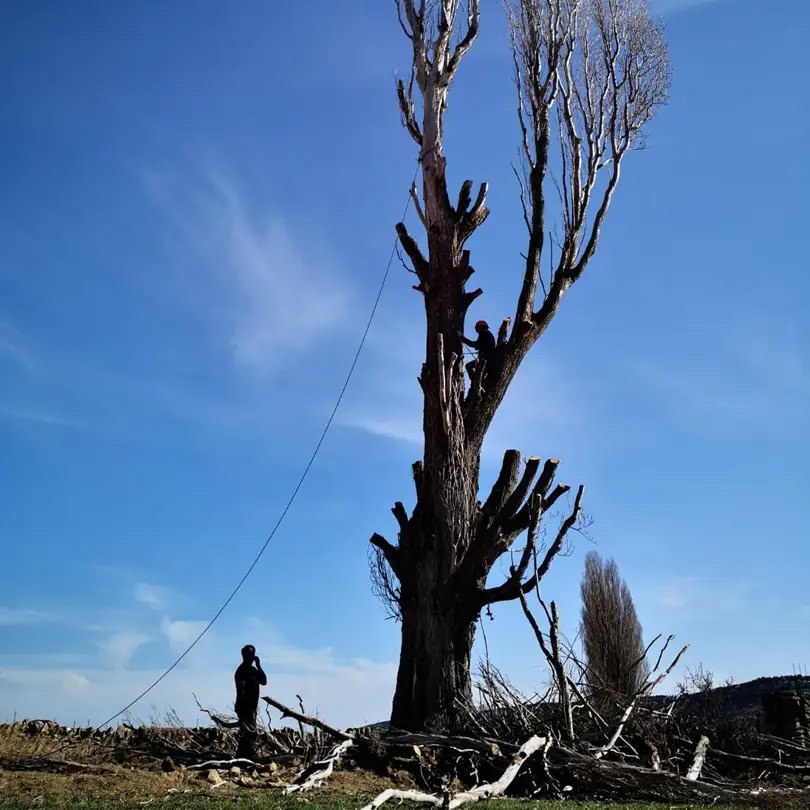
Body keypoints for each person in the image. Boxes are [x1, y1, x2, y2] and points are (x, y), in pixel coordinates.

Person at [234, 644, 267, 759]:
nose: (251, 657)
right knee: (247, 733)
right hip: (244, 707)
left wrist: (258, 666)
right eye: (249, 655)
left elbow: (263, 681)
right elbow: (241, 692)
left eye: (252, 654)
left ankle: (245, 756)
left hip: (252, 707)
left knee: (249, 733)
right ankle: (244, 757)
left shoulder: (253, 670)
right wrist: (249, 711)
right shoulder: (241, 671)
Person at [460, 319, 497, 389]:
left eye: (477, 329)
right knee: (480, 375)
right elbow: (479, 345)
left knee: (469, 366)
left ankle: (474, 380)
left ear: (481, 328)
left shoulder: (484, 334)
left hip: (486, 361)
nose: (476, 331)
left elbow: (475, 345)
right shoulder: (486, 334)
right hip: (488, 360)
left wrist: (462, 338)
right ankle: (477, 381)